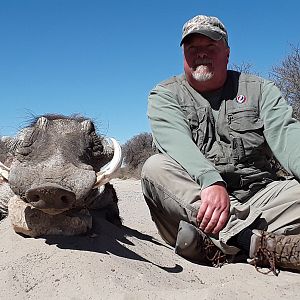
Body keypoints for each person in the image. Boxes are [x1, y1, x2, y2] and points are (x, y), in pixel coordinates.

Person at [141, 14, 300, 275]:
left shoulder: (262, 90)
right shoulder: (164, 94)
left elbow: (288, 137)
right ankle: (251, 243)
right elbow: (175, 141)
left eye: (210, 47)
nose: (201, 54)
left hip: (259, 201)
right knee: (154, 169)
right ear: (183, 55)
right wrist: (211, 181)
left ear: (226, 53)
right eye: (193, 49)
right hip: (197, 205)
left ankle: (221, 245)